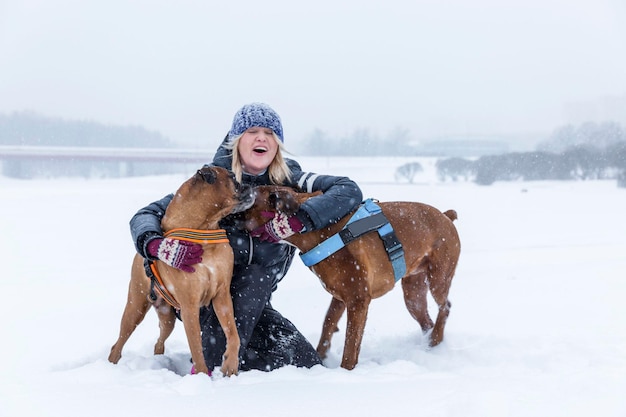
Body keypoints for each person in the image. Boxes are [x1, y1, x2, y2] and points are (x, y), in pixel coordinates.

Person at [129, 102, 363, 374]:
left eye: (269, 133)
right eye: (252, 131)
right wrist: (156, 246)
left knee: (305, 363)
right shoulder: (213, 183)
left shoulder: (291, 180)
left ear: (277, 144)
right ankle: (211, 364)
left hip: (257, 304)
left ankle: (223, 356)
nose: (262, 137)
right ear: (236, 140)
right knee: (252, 280)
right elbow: (147, 214)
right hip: (207, 297)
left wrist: (298, 220)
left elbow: (348, 190)